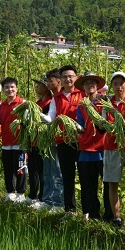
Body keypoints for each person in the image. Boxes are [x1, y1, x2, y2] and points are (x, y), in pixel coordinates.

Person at [41, 65, 85, 215]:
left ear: (76, 78)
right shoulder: (57, 98)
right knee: (67, 176)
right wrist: (37, 113)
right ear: (61, 79)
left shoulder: (82, 94)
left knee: (85, 176)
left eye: (70, 76)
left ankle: (87, 211)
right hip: (63, 140)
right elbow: (50, 118)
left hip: (81, 141)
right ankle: (70, 209)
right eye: (65, 77)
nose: (68, 79)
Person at [74, 72, 112, 221]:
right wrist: (75, 128)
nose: (90, 85)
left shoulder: (104, 102)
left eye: (93, 83)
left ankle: (109, 215)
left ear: (97, 86)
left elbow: (106, 124)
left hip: (102, 148)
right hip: (86, 148)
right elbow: (81, 126)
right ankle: (93, 215)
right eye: (86, 83)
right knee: (88, 185)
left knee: (108, 184)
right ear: (83, 87)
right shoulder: (81, 106)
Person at [102, 71, 125, 228]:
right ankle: (117, 218)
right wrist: (108, 123)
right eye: (115, 84)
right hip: (111, 147)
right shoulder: (106, 104)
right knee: (112, 183)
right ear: (112, 86)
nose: (118, 87)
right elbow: (103, 123)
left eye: (121, 84)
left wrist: (115, 119)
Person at [32, 68, 64, 211]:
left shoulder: (60, 97)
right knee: (48, 171)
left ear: (59, 81)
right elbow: (50, 118)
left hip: (61, 139)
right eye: (47, 81)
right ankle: (47, 199)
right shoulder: (54, 99)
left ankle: (58, 202)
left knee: (57, 171)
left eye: (50, 81)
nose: (48, 83)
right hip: (49, 139)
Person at [0, 77, 28, 204]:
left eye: (12, 87)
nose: (9, 89)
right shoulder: (2, 105)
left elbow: (28, 121)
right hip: (6, 142)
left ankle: (21, 193)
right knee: (8, 169)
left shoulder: (23, 103)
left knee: (21, 168)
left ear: (17, 88)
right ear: (3, 90)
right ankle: (10, 192)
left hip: (20, 142)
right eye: (6, 87)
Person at [26, 77, 49, 206]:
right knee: (32, 168)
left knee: (41, 170)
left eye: (39, 85)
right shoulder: (38, 102)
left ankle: (42, 196)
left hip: (42, 141)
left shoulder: (49, 103)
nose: (36, 87)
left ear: (45, 87)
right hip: (32, 140)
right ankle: (33, 194)